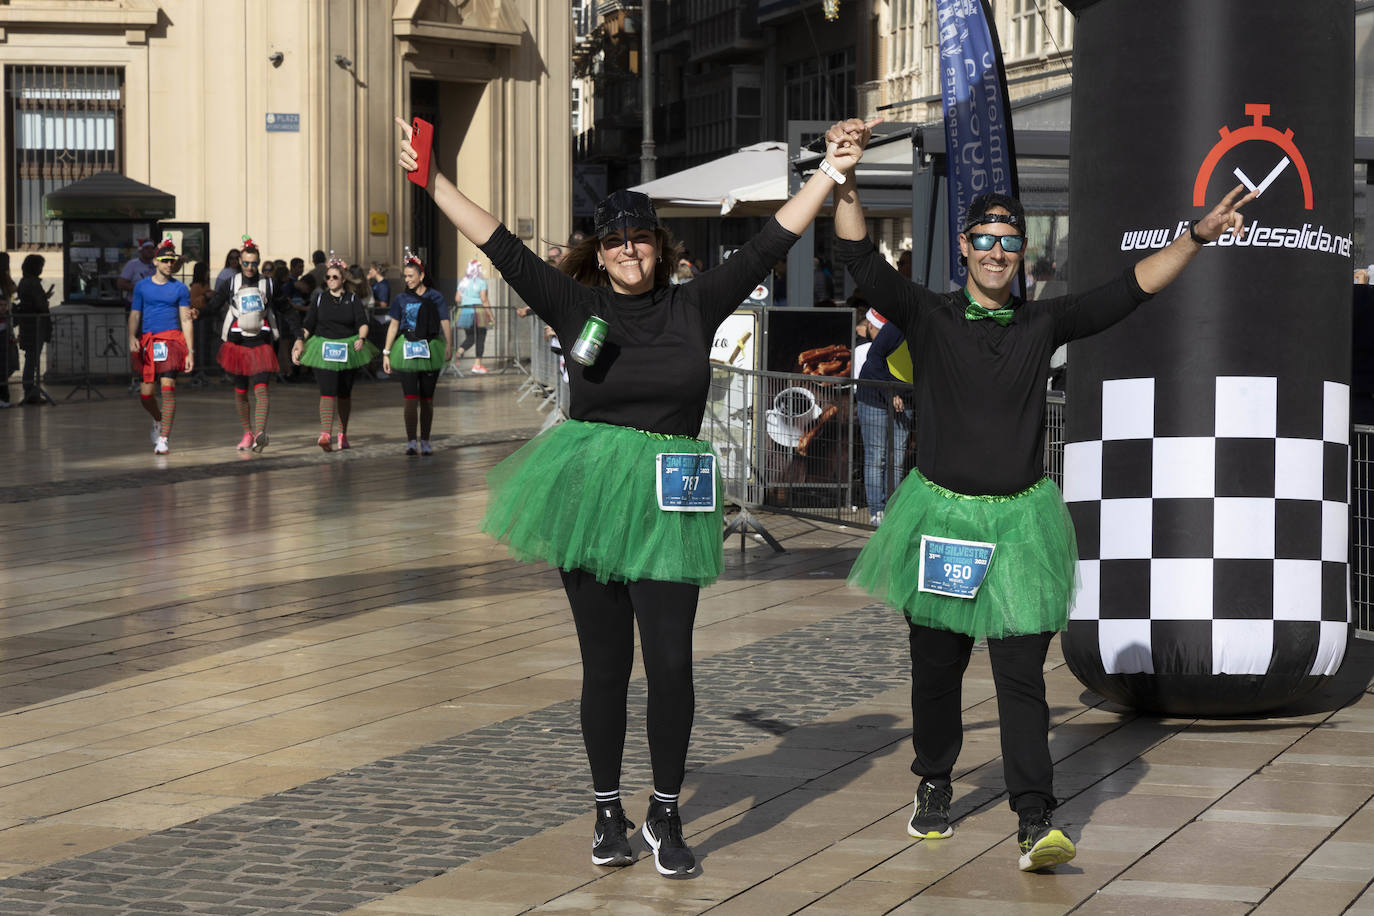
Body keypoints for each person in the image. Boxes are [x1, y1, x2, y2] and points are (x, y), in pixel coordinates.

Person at [395, 113, 862, 878]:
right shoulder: (576, 305)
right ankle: (608, 808)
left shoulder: (696, 302)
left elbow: (773, 238)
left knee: (672, 663)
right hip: (590, 494)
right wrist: (435, 182)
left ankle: (666, 812)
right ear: (598, 252)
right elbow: (500, 245)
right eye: (615, 241)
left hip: (672, 500)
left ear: (660, 246)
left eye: (640, 238)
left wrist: (831, 172)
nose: (629, 251)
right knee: (605, 667)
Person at [827, 117, 1255, 873]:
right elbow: (858, 258)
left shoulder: (1043, 320)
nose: (997, 251)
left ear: (1022, 253)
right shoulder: (927, 315)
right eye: (984, 239)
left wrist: (1199, 235)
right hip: (941, 524)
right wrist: (848, 178)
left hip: (1021, 526)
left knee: (1022, 678)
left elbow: (1130, 291)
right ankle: (933, 781)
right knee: (937, 669)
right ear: (963, 247)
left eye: (1010, 241)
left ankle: (1035, 817)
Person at [291, 256, 376, 451]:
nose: (330, 280)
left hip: (347, 349)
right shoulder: (319, 298)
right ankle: (325, 434)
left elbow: (362, 323)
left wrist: (361, 338)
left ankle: (342, 433)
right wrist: (299, 341)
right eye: (328, 277)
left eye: (335, 277)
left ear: (343, 279)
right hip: (324, 349)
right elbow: (309, 324)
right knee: (327, 391)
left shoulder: (352, 299)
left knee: (344, 393)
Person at [210, 237, 279, 451]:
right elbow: (215, 305)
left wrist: (298, 335)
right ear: (240, 261)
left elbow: (285, 308)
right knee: (240, 391)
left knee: (261, 389)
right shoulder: (230, 282)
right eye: (246, 263)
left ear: (259, 262)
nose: (250, 267)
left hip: (261, 342)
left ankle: (260, 433)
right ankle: (247, 433)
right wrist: (197, 313)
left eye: (254, 263)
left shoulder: (268, 283)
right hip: (237, 344)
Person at [381, 249, 450, 455]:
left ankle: (426, 440)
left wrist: (449, 344)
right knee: (410, 398)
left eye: (411, 276)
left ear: (421, 276)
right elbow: (393, 326)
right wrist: (386, 352)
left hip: (430, 347)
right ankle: (411, 440)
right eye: (405, 276)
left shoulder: (435, 297)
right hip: (407, 347)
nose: (407, 280)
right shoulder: (401, 298)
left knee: (427, 399)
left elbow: (445, 320)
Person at [128, 239, 194, 454]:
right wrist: (131, 336)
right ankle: (158, 419)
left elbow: (186, 320)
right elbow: (135, 313)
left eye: (171, 261)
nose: (168, 264)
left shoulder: (180, 288)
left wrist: (190, 351)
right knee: (146, 395)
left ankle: (164, 438)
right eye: (164, 260)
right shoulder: (142, 287)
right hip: (149, 342)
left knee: (168, 388)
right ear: (155, 261)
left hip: (172, 341)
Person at [855, 319, 914, 525]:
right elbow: (874, 359)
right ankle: (877, 511)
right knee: (876, 456)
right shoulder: (895, 327)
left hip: (906, 398)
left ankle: (891, 508)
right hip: (874, 397)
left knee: (896, 459)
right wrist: (890, 393)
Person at [13, 254, 53, 405]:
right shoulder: (33, 283)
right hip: (35, 325)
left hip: (28, 325)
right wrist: (44, 301)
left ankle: (31, 390)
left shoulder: (24, 282)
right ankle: (30, 391)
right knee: (32, 359)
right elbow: (39, 305)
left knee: (31, 358)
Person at [453, 258, 493, 374]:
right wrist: (490, 315)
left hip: (464, 312)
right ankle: (477, 365)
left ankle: (459, 352)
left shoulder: (463, 282)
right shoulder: (481, 282)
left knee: (470, 337)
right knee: (480, 337)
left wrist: (467, 299)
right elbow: (484, 299)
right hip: (478, 311)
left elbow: (457, 299)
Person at [117, 239, 157, 303]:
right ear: (141, 251)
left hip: (152, 304)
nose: (150, 251)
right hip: (134, 303)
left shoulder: (156, 265)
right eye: (146, 248)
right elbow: (121, 284)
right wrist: (140, 288)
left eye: (152, 248)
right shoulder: (132, 264)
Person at [0, 252, 16, 408]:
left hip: (5, 328)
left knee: (5, 363)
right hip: (3, 327)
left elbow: (13, 289)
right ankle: (3, 397)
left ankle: (4, 397)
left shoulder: (6, 282)